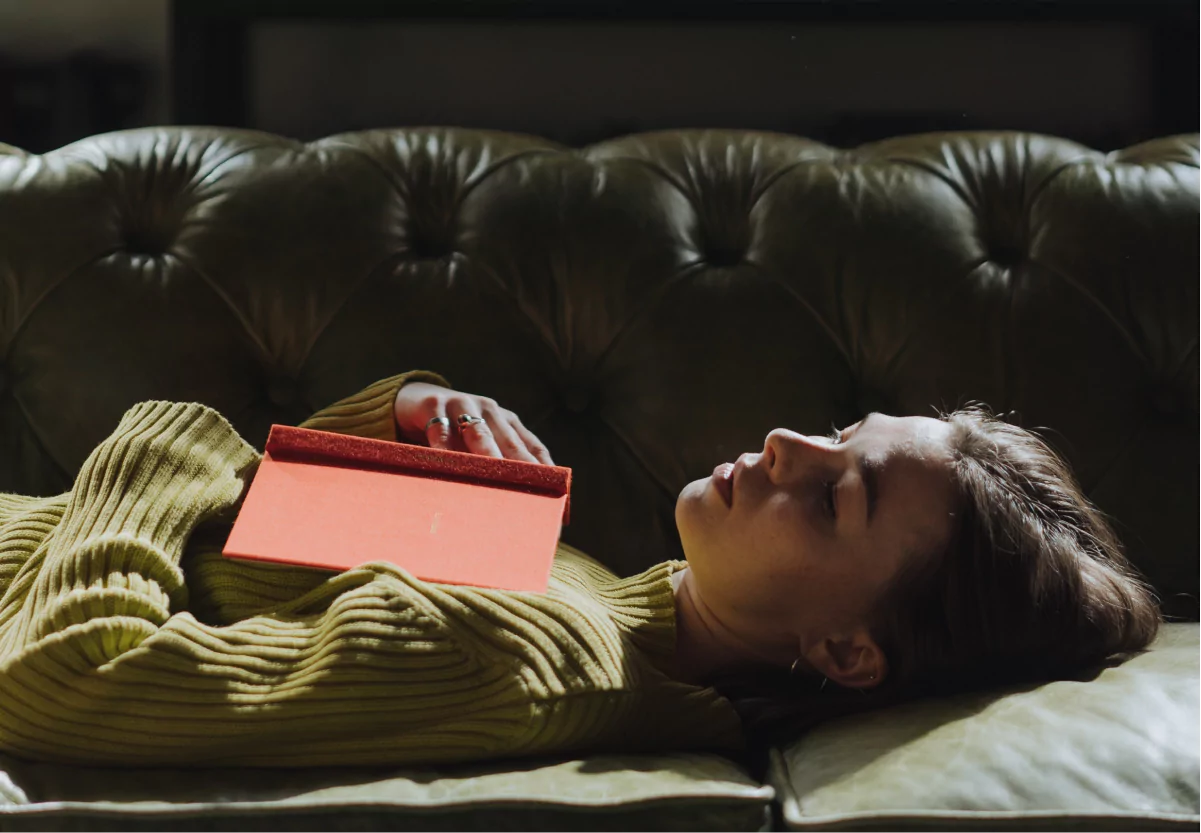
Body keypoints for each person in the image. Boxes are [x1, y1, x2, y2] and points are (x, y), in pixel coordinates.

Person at [0, 371, 1160, 769]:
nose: (784, 447)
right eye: (838, 431)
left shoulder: (529, 657)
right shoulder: (599, 592)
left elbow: (70, 673)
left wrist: (166, 442)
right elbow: (242, 553)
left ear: (847, 651)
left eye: (833, 494)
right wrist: (389, 423)